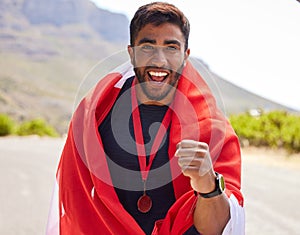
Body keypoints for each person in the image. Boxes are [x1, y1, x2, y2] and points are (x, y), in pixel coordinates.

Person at [46, 2, 245, 235]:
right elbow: (75, 204)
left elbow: (217, 229)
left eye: (171, 48)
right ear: (131, 53)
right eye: (148, 47)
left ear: (185, 56)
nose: (159, 61)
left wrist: (208, 186)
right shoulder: (93, 118)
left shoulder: (211, 128)